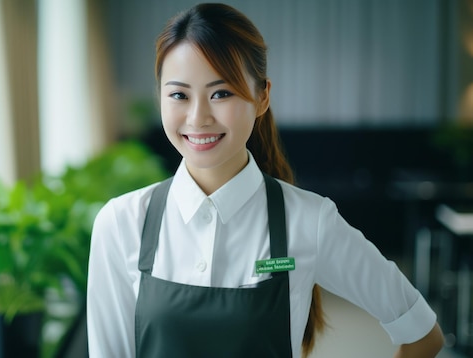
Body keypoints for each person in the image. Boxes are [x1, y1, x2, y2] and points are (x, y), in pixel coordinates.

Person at [86, 3, 444, 357]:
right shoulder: (121, 223)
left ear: (262, 97)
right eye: (179, 94)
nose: (198, 118)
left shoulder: (309, 220)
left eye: (221, 93)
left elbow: (423, 333)